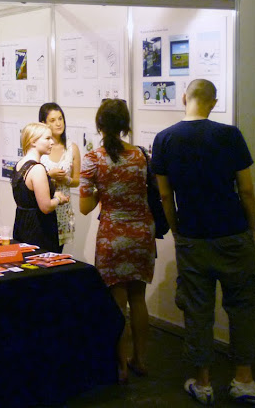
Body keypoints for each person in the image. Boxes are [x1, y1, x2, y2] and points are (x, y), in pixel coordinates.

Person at [151, 79, 255, 406]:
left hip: (192, 236)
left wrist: (177, 230)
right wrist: (251, 228)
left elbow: (165, 194)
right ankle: (244, 380)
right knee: (243, 307)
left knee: (197, 310)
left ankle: (203, 383)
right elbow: (246, 189)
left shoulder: (164, 139)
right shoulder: (229, 135)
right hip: (232, 232)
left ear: (184, 98)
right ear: (214, 102)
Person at [79, 99, 155, 384]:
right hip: (141, 232)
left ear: (100, 125)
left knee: (117, 302)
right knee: (138, 298)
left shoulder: (92, 159)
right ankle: (141, 359)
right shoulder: (141, 155)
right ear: (125, 125)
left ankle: (120, 364)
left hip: (112, 234)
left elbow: (85, 207)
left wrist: (104, 191)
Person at [12, 122, 69, 254]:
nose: (52, 142)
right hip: (39, 230)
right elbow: (46, 207)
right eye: (47, 138)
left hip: (21, 224)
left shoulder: (20, 164)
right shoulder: (37, 169)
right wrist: (58, 199)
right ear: (33, 142)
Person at [39, 102, 81, 252]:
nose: (58, 123)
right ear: (43, 123)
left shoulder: (71, 148)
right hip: (43, 207)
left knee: (57, 254)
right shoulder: (39, 147)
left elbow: (76, 181)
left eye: (60, 118)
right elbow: (28, 175)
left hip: (63, 208)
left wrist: (65, 179)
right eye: (53, 120)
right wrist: (49, 175)